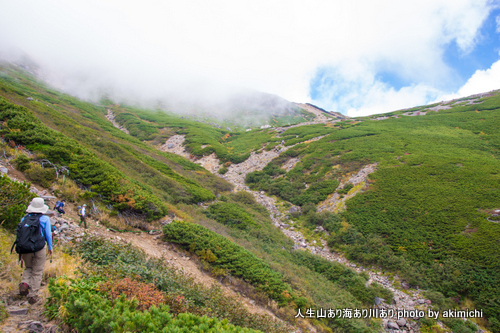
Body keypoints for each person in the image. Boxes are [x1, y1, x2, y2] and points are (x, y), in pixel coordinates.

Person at [18, 198, 53, 301]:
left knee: (28, 267)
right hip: (39, 248)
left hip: (25, 248)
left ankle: (24, 283)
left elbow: (20, 235)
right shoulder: (44, 219)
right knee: (37, 270)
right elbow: (48, 235)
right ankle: (33, 294)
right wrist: (50, 248)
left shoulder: (24, 219)